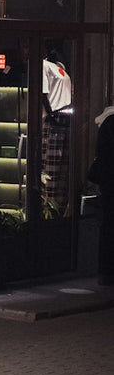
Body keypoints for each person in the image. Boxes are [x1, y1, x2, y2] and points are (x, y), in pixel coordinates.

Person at [89, 100, 114, 285]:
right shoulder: (110, 123)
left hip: (108, 183)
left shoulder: (107, 123)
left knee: (108, 224)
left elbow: (101, 153)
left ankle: (106, 272)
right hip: (110, 181)